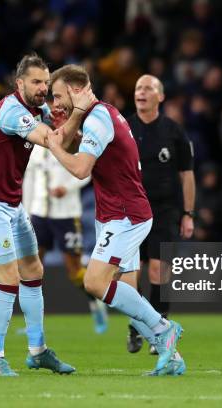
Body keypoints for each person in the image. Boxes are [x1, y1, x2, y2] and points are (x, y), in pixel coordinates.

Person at [46, 64, 185, 376]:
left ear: (76, 90)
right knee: (126, 294)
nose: (55, 105)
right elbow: (66, 134)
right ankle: (172, 357)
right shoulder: (95, 113)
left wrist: (54, 146)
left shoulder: (98, 119)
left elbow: (80, 168)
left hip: (126, 216)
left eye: (58, 96)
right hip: (113, 214)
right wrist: (69, 123)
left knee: (94, 282)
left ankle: (164, 329)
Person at [0, 54, 93, 377]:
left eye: (46, 83)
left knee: (33, 268)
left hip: (11, 203)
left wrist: (74, 117)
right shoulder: (11, 111)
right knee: (8, 277)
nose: (42, 89)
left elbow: (69, 140)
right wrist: (76, 112)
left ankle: (37, 350)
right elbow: (51, 140)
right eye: (36, 82)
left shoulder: (38, 109)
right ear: (19, 83)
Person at [126, 74, 195, 354]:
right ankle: (136, 327)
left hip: (165, 210)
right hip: (130, 210)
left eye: (148, 88)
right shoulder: (124, 129)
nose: (141, 92)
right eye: (138, 87)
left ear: (160, 96)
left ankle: (160, 327)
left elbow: (187, 175)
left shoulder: (174, 132)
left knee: (158, 270)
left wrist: (188, 213)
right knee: (133, 274)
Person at [24, 144, 108, 334]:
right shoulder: (35, 148)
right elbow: (29, 181)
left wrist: (67, 188)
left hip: (67, 214)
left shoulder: (72, 142)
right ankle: (34, 324)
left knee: (74, 270)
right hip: (38, 214)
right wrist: (26, 213)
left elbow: (86, 172)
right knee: (31, 268)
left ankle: (95, 302)